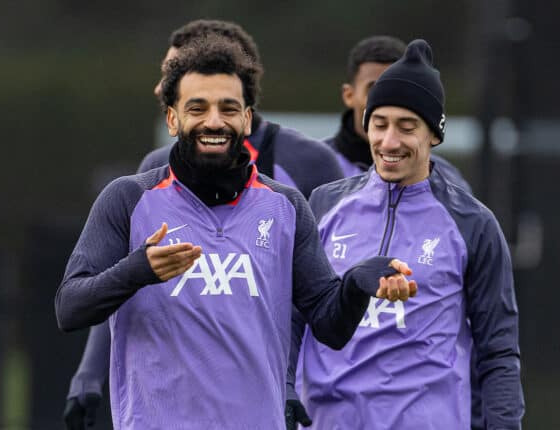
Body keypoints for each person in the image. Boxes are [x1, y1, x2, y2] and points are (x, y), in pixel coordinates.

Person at [55, 34, 417, 429]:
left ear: (247, 117)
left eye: (228, 108)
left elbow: (330, 326)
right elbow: (70, 307)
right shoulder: (128, 199)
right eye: (198, 108)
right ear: (173, 118)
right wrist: (137, 270)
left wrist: (354, 285)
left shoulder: (286, 206)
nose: (214, 121)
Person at [291, 39, 524, 429]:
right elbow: (292, 318)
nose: (390, 142)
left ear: (434, 134)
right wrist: (282, 389)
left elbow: (498, 351)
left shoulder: (473, 223)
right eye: (379, 125)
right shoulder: (323, 205)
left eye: (407, 126)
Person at [325, 35, 471, 193]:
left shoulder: (448, 179)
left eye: (400, 91)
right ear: (349, 95)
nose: (388, 101)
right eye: (374, 89)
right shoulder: (313, 169)